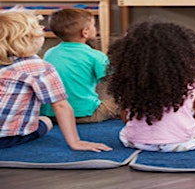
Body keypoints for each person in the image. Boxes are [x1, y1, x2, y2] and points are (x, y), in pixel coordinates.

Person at [0, 10, 112, 152]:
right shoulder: (40, 68)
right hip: (8, 138)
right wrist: (75, 142)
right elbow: (61, 106)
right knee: (45, 122)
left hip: (42, 115)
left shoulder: (50, 53)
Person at [108, 21, 195, 152]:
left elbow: (125, 118)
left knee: (127, 131)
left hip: (136, 142)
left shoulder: (130, 81)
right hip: (181, 143)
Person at [40, 8, 118, 123]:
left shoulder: (49, 53)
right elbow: (113, 80)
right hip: (85, 114)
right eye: (93, 26)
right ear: (85, 32)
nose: (96, 28)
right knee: (120, 102)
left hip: (53, 114)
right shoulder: (96, 55)